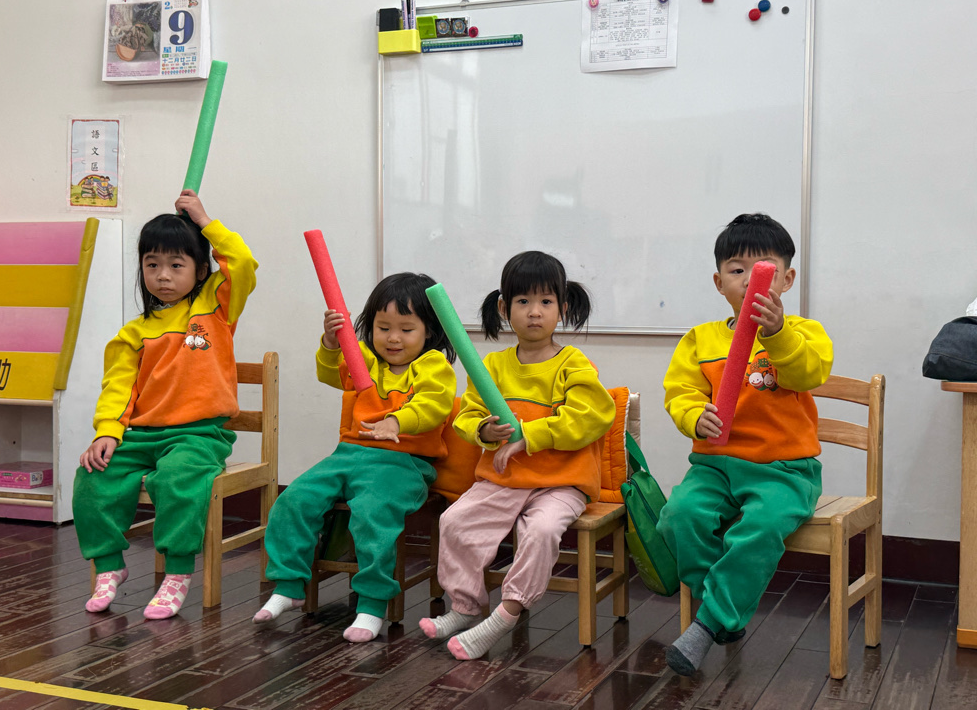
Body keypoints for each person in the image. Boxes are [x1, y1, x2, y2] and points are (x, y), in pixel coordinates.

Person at [657, 213, 833, 675]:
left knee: (759, 527)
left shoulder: (805, 333)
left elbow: (808, 374)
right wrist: (694, 417)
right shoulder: (701, 339)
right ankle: (720, 613)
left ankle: (707, 623)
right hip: (715, 466)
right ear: (719, 283)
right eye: (737, 270)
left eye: (764, 271)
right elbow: (680, 393)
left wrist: (776, 334)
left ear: (787, 280)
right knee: (678, 517)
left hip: (784, 469)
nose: (750, 281)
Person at [421, 251, 616, 660]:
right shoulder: (492, 365)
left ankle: (505, 616)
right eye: (523, 301)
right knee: (453, 521)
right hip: (504, 479)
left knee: (541, 531)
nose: (534, 312)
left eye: (546, 301)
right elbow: (467, 416)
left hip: (562, 483)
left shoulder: (573, 363)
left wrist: (529, 435)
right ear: (503, 308)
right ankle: (465, 606)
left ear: (563, 308)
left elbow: (593, 417)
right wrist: (483, 430)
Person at [73, 190, 257, 619]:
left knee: (176, 479)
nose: (163, 276)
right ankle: (109, 566)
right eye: (152, 264)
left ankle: (177, 573)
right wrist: (107, 432)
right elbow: (118, 388)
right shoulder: (133, 333)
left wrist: (206, 221)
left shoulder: (216, 307)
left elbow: (243, 262)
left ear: (200, 270)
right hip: (141, 436)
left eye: (177, 265)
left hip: (198, 435)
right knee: (92, 475)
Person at [254, 272, 457, 643]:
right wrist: (331, 344)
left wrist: (397, 421)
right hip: (348, 455)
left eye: (406, 329)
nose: (393, 338)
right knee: (293, 499)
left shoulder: (433, 367)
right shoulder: (364, 358)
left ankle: (373, 603)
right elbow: (331, 374)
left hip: (403, 462)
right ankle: (288, 585)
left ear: (429, 331)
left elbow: (434, 405)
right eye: (383, 327)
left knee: (372, 515)